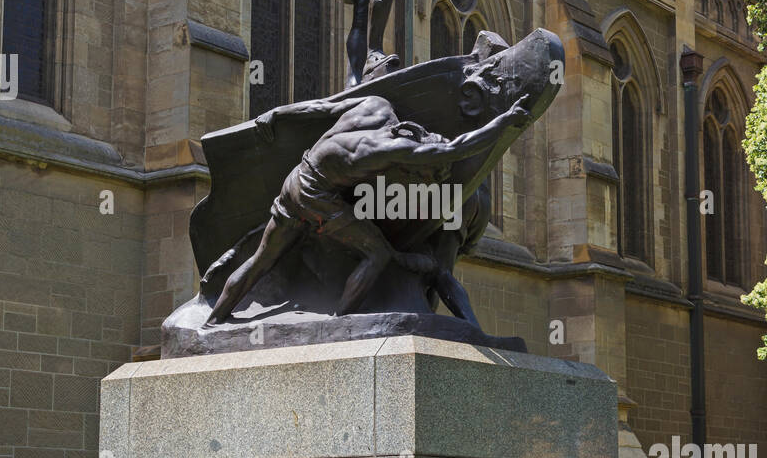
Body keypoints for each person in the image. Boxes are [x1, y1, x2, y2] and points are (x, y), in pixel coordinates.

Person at [205, 92, 532, 324]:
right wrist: (505, 122)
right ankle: (339, 323)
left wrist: (278, 113)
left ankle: (214, 320)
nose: (422, 177)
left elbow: (323, 106)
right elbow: (459, 147)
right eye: (425, 173)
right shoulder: (396, 150)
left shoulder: (375, 107)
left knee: (262, 259)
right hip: (316, 197)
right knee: (377, 254)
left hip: (296, 180)